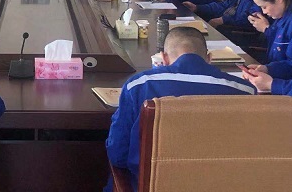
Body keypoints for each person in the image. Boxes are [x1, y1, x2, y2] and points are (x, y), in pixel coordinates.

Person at [106, 27, 255, 191]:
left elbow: (118, 153)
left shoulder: (138, 85)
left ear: (164, 58)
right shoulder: (245, 91)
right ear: (209, 58)